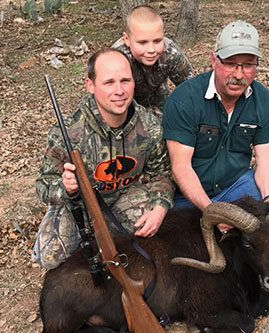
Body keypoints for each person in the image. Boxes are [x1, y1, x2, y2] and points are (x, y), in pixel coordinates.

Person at [33, 48, 174, 270]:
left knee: (151, 230)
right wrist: (65, 188)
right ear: (91, 85)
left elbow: (161, 174)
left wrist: (160, 207)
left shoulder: (150, 125)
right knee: (48, 256)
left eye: (125, 81)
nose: (119, 91)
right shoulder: (67, 133)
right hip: (78, 206)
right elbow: (43, 185)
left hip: (123, 197)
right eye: (109, 82)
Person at [162, 20, 269, 233]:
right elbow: (181, 167)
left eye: (248, 65)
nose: (238, 74)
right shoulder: (184, 100)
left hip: (235, 188)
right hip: (188, 198)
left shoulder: (264, 101)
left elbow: (267, 159)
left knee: (259, 201)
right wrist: (212, 211)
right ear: (213, 60)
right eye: (230, 63)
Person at [111, 5, 194, 111]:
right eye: (142, 42)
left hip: (158, 97)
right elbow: (106, 95)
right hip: (126, 103)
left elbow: (190, 89)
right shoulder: (116, 58)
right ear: (127, 39)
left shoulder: (170, 53)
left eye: (157, 41)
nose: (151, 49)